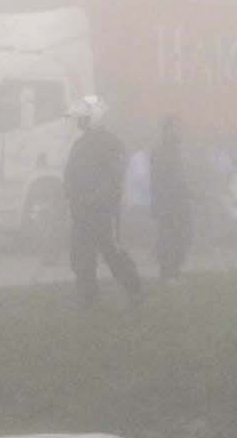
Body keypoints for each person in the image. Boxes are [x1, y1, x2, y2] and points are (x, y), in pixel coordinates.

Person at [61, 99, 143, 308]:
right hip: (81, 211)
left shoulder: (111, 143)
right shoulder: (79, 145)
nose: (79, 123)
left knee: (112, 252)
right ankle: (89, 298)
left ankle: (134, 290)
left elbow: (116, 174)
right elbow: (70, 174)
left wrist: (96, 196)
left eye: (83, 119)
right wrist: (72, 195)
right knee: (81, 256)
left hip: (103, 211)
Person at [149, 115, 195, 282]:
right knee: (169, 238)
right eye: (176, 128)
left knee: (180, 237)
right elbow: (163, 179)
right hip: (168, 203)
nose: (179, 132)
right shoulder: (162, 151)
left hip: (179, 201)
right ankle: (168, 273)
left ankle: (174, 271)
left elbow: (180, 176)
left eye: (180, 128)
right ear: (167, 130)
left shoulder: (176, 150)